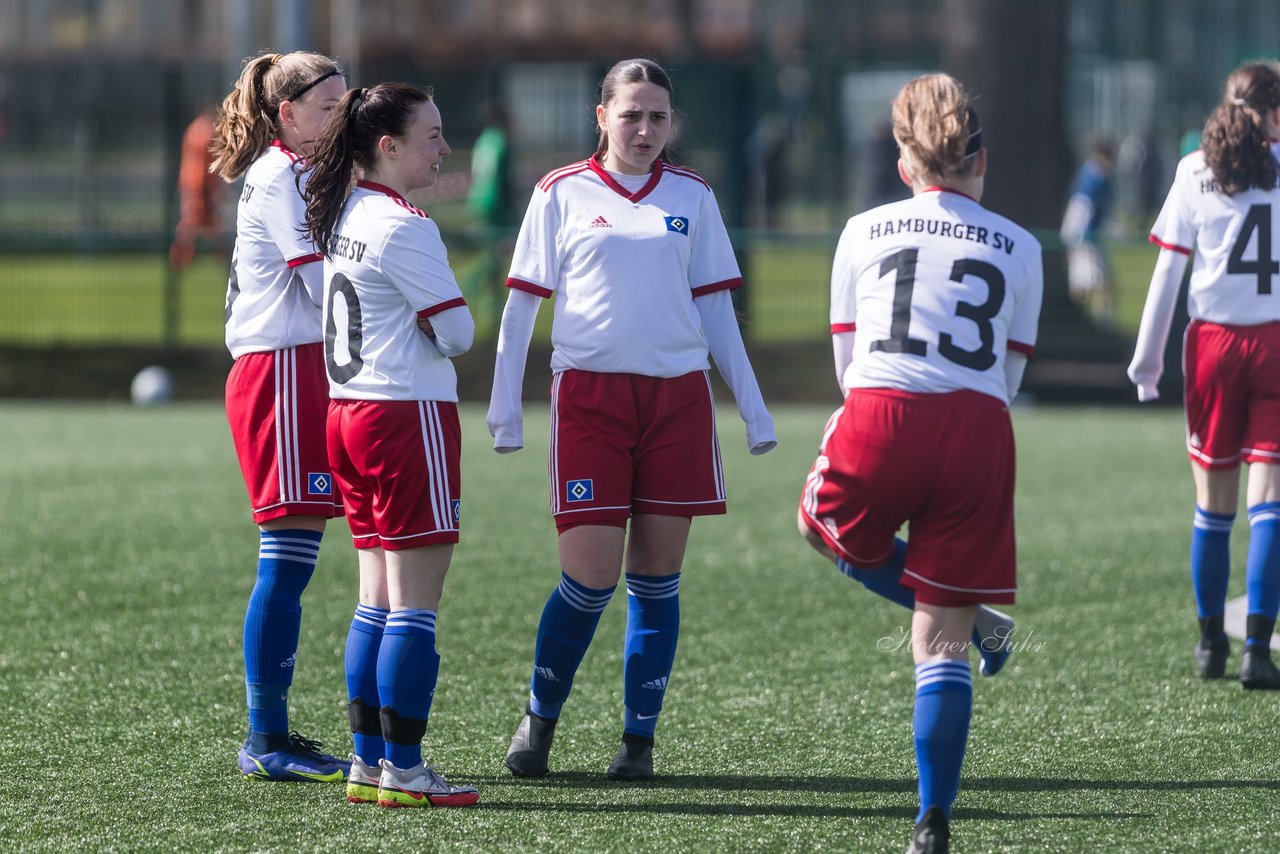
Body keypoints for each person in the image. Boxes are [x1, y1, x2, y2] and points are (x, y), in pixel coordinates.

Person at [488, 57, 776, 781]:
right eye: (632, 115)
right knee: (588, 580)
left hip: (678, 402)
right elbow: (523, 306)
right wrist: (504, 409)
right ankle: (539, 721)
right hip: (589, 400)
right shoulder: (560, 192)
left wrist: (753, 407)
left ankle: (637, 743)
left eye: (658, 117)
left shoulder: (692, 196)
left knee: (656, 577)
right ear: (602, 118)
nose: (646, 130)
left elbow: (715, 309)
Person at [796, 73, 1043, 853]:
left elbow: (847, 363)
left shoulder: (863, 230)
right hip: (978, 427)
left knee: (818, 524)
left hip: (885, 414)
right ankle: (932, 823)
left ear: (905, 165)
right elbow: (1009, 378)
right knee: (942, 643)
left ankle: (982, 626)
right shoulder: (1025, 246)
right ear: (983, 160)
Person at [301, 81, 479, 808]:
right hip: (404, 417)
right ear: (389, 146)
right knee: (413, 608)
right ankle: (404, 769)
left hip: (348, 415)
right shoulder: (403, 225)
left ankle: (368, 762)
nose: (443, 147)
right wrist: (432, 326)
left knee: (374, 599)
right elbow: (461, 332)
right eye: (432, 135)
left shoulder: (346, 210)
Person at [209, 50, 350, 783]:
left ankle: (274, 732)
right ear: (287, 114)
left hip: (302, 372)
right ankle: (264, 738)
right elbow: (324, 279)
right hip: (283, 374)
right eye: (328, 107)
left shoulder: (304, 173)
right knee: (287, 561)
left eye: (344, 103)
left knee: (297, 560)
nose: (341, 117)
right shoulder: (283, 175)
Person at [1128, 60, 1280, 691]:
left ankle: (1211, 643)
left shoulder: (1195, 171)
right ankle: (1259, 653)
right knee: (1268, 503)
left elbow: (1168, 274)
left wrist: (1148, 360)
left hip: (1213, 347)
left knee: (1212, 508)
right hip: (1275, 343)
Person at [1060, 135, 1116, 326]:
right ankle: (1089, 324)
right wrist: (1075, 237)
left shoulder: (1093, 176)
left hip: (1089, 238)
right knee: (1089, 285)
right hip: (1085, 239)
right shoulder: (1093, 178)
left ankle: (1094, 322)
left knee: (1095, 283)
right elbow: (1080, 208)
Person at [170, 105, 224, 270]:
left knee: (194, 223)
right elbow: (206, 165)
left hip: (189, 181)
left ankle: (182, 257)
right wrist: (212, 188)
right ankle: (181, 257)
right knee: (194, 223)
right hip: (200, 184)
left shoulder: (192, 129)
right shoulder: (207, 131)